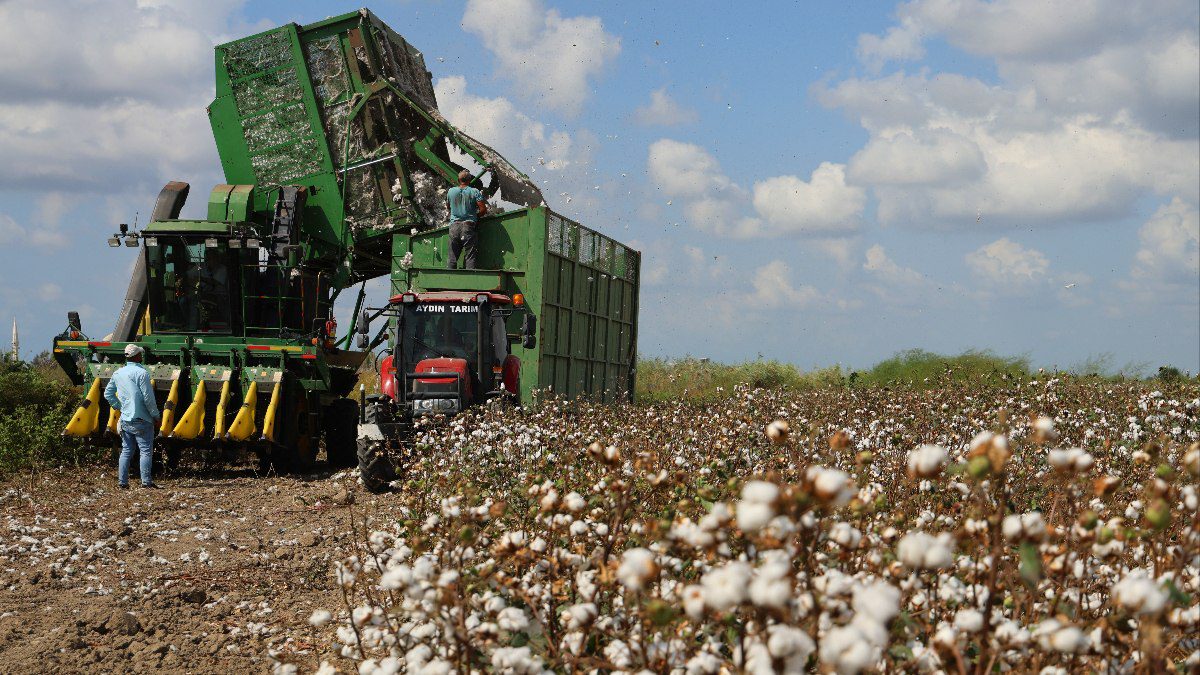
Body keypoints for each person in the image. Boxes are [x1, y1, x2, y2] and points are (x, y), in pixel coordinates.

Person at [104, 344, 162, 489]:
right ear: (137, 356)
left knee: (127, 450)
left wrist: (119, 406)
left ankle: (123, 483)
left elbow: (108, 394)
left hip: (126, 419)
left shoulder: (118, 373)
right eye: (140, 354)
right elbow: (148, 398)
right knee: (145, 451)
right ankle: (146, 482)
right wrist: (156, 416)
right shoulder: (142, 374)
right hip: (143, 419)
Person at [446, 168, 498, 270]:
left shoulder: (451, 191)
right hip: (468, 226)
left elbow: (448, 207)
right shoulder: (474, 191)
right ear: (469, 180)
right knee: (470, 257)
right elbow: (483, 210)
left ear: (458, 179)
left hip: (454, 227)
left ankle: (449, 280)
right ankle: (469, 281)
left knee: (452, 258)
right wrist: (474, 216)